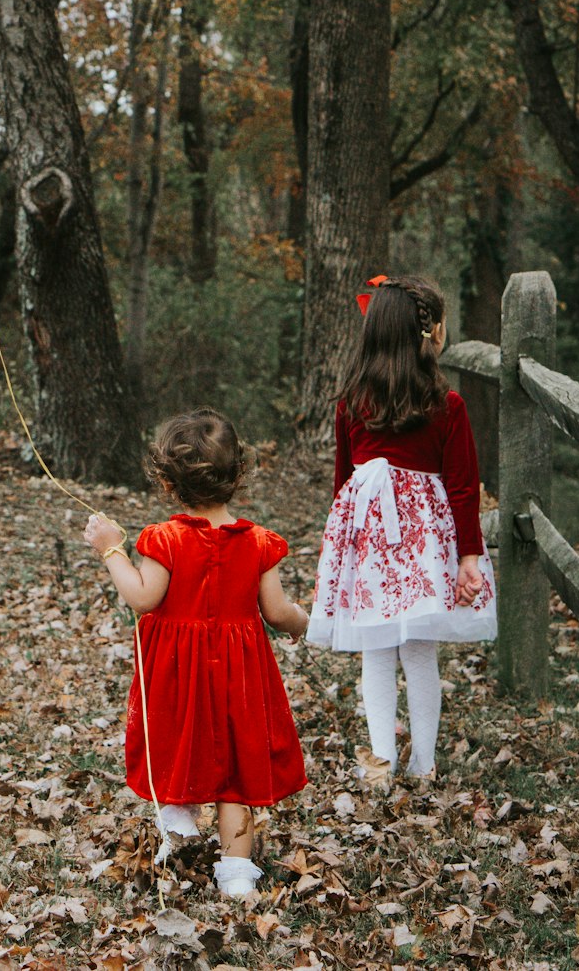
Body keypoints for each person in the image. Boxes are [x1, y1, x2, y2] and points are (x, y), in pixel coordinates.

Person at [84, 408, 308, 897]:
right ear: (237, 476)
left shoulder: (163, 541)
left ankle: (182, 841)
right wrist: (301, 623)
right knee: (235, 761)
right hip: (240, 674)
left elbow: (143, 598)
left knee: (176, 746)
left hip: (177, 673)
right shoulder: (258, 543)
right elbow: (277, 610)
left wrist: (111, 550)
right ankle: (234, 870)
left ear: (168, 483)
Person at [306, 275, 496, 786]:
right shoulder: (445, 404)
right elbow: (462, 488)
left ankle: (383, 762)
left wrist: (341, 550)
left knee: (377, 652)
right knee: (418, 651)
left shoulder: (352, 402)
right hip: (424, 546)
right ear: (429, 333)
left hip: (370, 545)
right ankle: (422, 763)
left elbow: (342, 485)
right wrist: (467, 556)